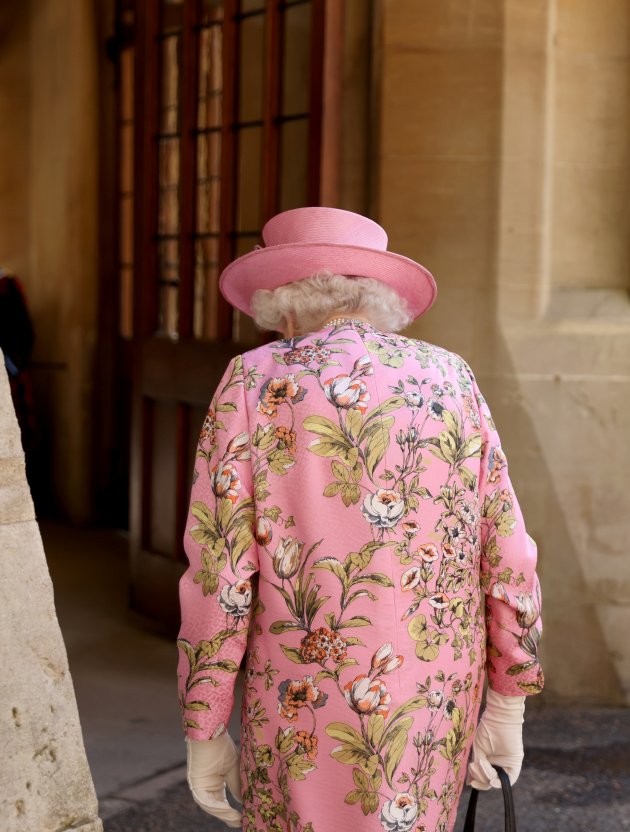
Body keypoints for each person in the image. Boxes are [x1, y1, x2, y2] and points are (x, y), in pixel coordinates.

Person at [176, 206, 544, 831]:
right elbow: (506, 548)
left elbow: (220, 571)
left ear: (282, 305)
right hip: (434, 692)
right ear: (378, 300)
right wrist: (508, 702)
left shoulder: (253, 381)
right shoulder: (450, 379)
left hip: (302, 689)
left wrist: (205, 722)